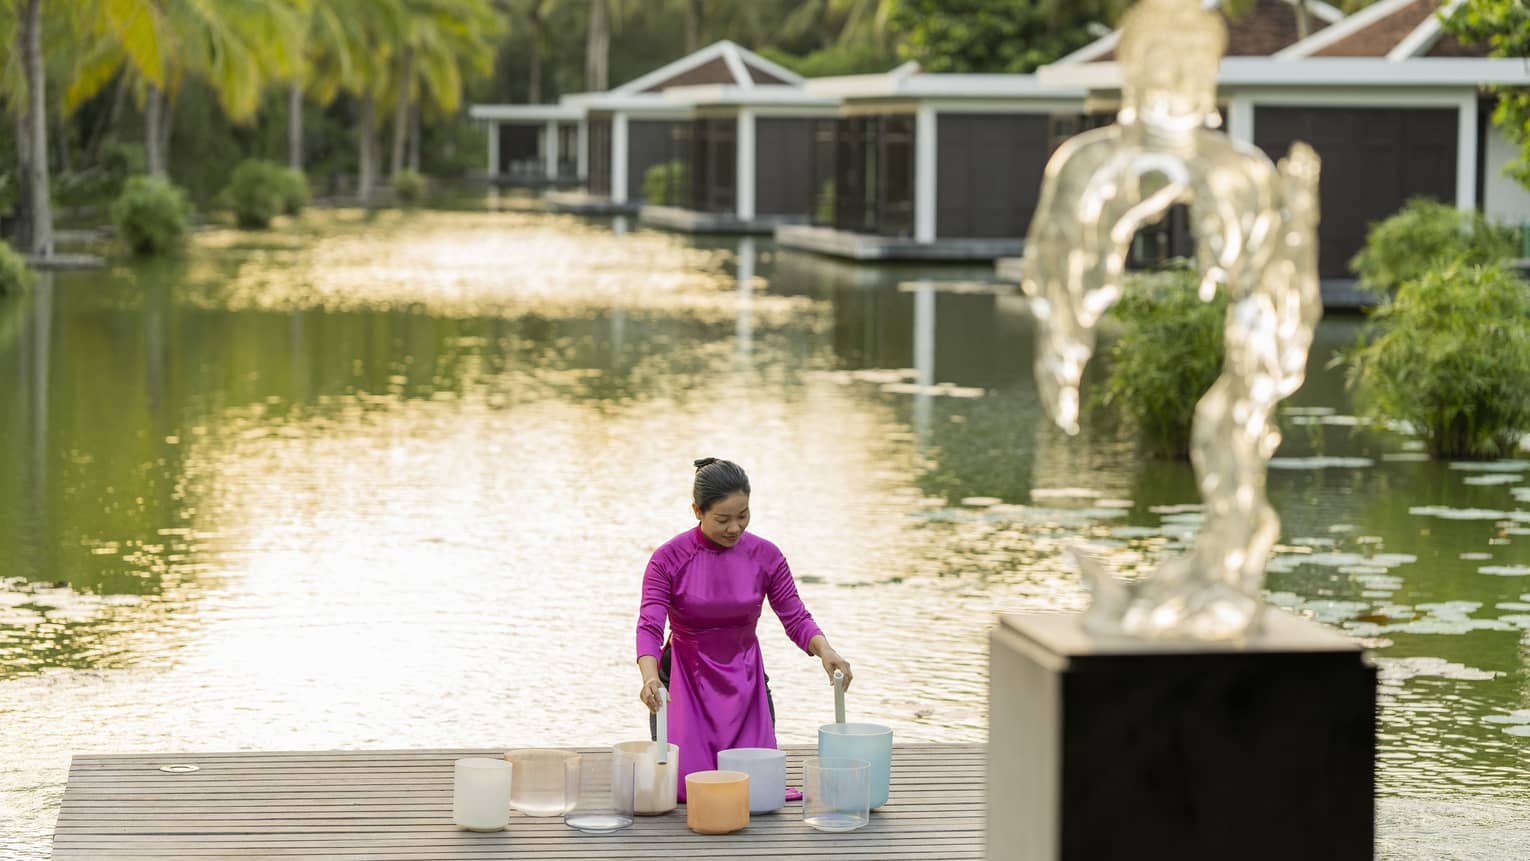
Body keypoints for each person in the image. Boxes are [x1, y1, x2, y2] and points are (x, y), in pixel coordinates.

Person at [636, 457, 853, 801]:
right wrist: (649, 679)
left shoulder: (765, 555)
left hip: (747, 683)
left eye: (743, 516)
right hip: (681, 683)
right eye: (723, 519)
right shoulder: (668, 558)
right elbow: (649, 624)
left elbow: (794, 614)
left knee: (754, 791)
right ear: (697, 511)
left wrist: (826, 650)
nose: (735, 528)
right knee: (684, 792)